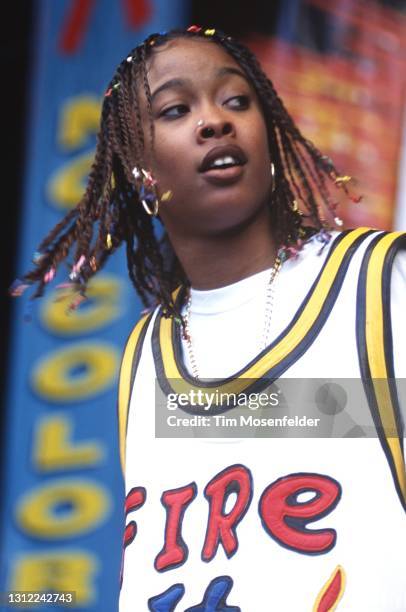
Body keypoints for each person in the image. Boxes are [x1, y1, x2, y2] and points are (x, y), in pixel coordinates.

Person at [12, 26, 405, 611]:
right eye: (176, 109)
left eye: (237, 101)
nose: (215, 121)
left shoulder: (375, 284)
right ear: (141, 172)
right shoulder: (146, 356)